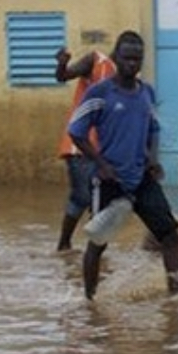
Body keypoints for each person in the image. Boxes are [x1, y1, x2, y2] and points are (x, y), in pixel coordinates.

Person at [66, 30, 178, 298]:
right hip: (109, 180)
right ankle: (90, 301)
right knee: (97, 243)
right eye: (128, 58)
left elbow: (153, 128)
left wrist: (153, 159)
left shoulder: (147, 93)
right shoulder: (100, 93)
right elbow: (76, 130)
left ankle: (176, 298)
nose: (133, 64)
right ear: (116, 57)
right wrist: (101, 163)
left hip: (141, 178)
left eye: (138, 59)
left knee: (170, 236)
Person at [53, 44, 116, 251]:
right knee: (82, 196)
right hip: (79, 145)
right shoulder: (95, 61)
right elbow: (63, 76)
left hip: (103, 149)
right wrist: (62, 64)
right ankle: (65, 245)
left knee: (101, 200)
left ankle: (94, 252)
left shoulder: (126, 81)